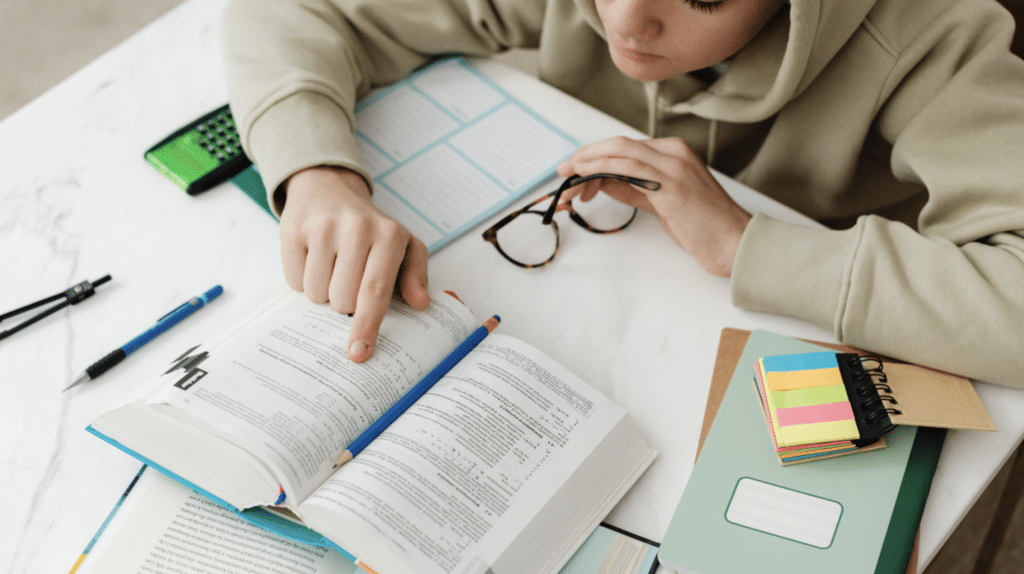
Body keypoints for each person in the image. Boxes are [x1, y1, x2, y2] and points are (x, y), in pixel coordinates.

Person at [220, 0, 1024, 388]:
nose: (628, 24)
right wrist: (315, 174)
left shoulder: (937, 34)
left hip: (813, 349)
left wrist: (749, 243)